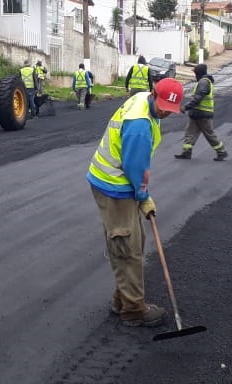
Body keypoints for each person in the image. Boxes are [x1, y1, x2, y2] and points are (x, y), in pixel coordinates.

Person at [87, 77, 184, 327]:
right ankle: (133, 310)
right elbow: (135, 167)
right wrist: (143, 197)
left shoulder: (142, 100)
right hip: (115, 184)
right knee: (127, 247)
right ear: (154, 94)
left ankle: (122, 299)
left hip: (117, 180)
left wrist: (142, 194)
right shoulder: (139, 125)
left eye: (170, 110)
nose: (165, 112)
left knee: (131, 241)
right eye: (163, 106)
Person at [174, 63, 228, 161]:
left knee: (209, 134)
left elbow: (198, 98)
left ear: (198, 73)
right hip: (196, 113)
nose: (194, 75)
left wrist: (186, 107)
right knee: (190, 132)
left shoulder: (204, 82)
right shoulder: (202, 82)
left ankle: (222, 152)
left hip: (203, 114)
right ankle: (186, 152)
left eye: (195, 72)